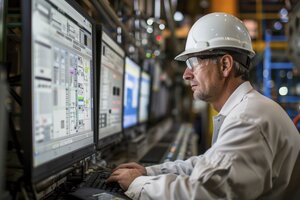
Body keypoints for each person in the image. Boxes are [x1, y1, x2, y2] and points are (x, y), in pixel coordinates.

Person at [107, 12, 300, 199]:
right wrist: (149, 172)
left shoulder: (248, 120)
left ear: (225, 65)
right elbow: (210, 165)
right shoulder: (246, 110)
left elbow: (205, 193)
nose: (186, 74)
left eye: (193, 62)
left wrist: (138, 183)